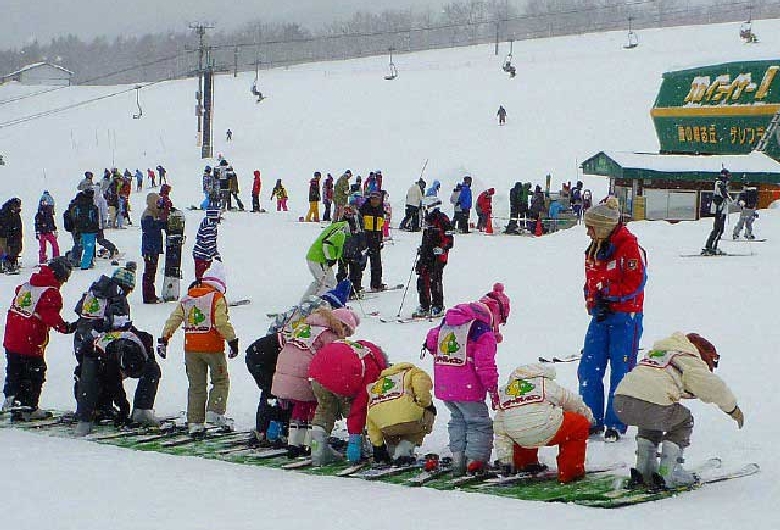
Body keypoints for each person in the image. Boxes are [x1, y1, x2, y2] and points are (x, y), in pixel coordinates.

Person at [614, 332, 744, 489]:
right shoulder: (689, 358)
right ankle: (670, 471)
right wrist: (733, 409)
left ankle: (644, 469)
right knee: (683, 420)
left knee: (651, 417)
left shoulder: (660, 353)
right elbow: (713, 387)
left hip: (621, 402)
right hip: (651, 404)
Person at [244, 280, 351, 447]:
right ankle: (278, 431)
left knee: (277, 391)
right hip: (276, 352)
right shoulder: (323, 320)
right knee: (286, 392)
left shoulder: (301, 309)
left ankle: (269, 429)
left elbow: (276, 327)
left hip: (265, 348)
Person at [424, 283, 510, 475]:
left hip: (445, 387)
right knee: (478, 422)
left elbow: (431, 342)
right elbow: (484, 366)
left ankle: (458, 459)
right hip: (467, 388)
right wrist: (493, 390)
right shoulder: (482, 332)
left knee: (458, 420)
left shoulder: (449, 323)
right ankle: (475, 461)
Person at [579, 198, 646, 442]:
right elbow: (591, 278)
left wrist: (610, 296)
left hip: (624, 318)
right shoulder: (596, 246)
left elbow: (636, 282)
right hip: (600, 316)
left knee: (622, 370)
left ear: (604, 226)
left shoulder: (628, 247)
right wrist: (591, 299)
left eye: (591, 227)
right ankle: (591, 417)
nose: (588, 232)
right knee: (589, 368)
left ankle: (616, 422)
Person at [158, 261, 239, 436]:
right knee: (220, 380)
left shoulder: (188, 298)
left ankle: (195, 422)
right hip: (213, 348)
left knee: (196, 385)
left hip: (191, 349)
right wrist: (232, 340)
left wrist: (164, 338)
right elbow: (221, 323)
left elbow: (174, 319)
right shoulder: (216, 297)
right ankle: (214, 413)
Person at [272, 307, 359, 457]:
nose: (346, 336)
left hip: (284, 369)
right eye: (347, 332)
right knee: (317, 404)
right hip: (304, 372)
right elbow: (332, 359)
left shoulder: (306, 326)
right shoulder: (329, 335)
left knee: (301, 404)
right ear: (342, 325)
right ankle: (311, 443)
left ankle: (294, 443)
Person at [494, 363, 595, 483]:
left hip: (520, 437)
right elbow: (572, 401)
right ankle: (570, 472)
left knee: (518, 425)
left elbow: (500, 428)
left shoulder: (507, 392)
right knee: (578, 424)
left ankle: (526, 464)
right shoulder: (544, 384)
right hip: (546, 429)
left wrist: (505, 460)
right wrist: (589, 419)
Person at [2, 258, 76, 420]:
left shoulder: (27, 286)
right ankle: (29, 406)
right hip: (30, 340)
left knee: (15, 370)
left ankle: (12, 399)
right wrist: (66, 327)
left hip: (12, 337)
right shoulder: (50, 293)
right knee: (35, 373)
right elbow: (50, 316)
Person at [73, 263, 136, 427]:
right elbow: (118, 320)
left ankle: (87, 406)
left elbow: (78, 308)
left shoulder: (93, 291)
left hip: (82, 335)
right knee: (108, 373)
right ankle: (102, 406)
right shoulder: (116, 295)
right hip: (102, 339)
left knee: (84, 371)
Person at [307, 339, 388, 466]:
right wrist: (355, 439)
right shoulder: (372, 368)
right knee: (352, 408)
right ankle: (357, 447)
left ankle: (317, 449)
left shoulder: (355, 349)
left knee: (325, 407)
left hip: (316, 372)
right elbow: (359, 407)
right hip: (343, 377)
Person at [74, 323, 162, 437]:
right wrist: (124, 409)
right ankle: (86, 418)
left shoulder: (144, 349)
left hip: (119, 349)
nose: (124, 377)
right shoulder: (109, 358)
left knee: (153, 369)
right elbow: (115, 385)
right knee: (90, 382)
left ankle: (142, 410)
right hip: (92, 354)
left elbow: (148, 368)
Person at [366, 362, 436, 466]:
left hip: (384, 426)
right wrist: (426, 405)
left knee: (389, 422)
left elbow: (371, 416)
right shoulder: (413, 372)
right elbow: (421, 389)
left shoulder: (377, 384)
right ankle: (404, 450)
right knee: (428, 413)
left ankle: (392, 450)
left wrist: (378, 446)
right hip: (408, 420)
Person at [413, 207, 454, 318]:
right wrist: (422, 249)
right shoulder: (428, 221)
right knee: (422, 279)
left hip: (438, 257)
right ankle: (424, 305)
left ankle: (438, 306)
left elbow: (449, 239)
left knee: (434, 280)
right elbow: (426, 238)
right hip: (426, 255)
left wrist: (442, 249)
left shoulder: (442, 220)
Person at [301, 221, 349, 301]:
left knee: (319, 283)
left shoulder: (335, 228)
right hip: (319, 259)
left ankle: (306, 301)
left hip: (313, 257)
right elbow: (327, 244)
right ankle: (321, 304)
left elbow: (334, 245)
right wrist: (331, 258)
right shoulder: (341, 233)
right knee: (329, 283)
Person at [141, 192, 166, 304]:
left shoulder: (153, 214)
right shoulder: (148, 215)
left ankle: (150, 294)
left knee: (151, 271)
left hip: (153, 247)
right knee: (149, 272)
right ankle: (148, 296)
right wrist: (160, 222)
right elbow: (152, 229)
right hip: (150, 248)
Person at [337, 202, 367, 297]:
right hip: (344, 250)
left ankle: (356, 289)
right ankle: (342, 290)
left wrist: (363, 245)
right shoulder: (342, 221)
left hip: (355, 249)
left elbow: (362, 232)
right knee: (343, 272)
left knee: (356, 271)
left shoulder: (358, 218)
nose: (349, 212)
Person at [359, 190, 385, 292]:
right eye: (373, 199)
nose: (375, 201)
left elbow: (381, 226)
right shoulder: (364, 209)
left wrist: (381, 239)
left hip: (376, 240)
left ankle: (376, 284)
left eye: (377, 199)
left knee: (377, 264)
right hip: (364, 240)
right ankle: (356, 285)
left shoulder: (380, 209)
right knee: (360, 264)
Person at [702, 169, 732, 255]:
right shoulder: (720, 183)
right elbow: (723, 194)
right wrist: (727, 196)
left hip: (721, 210)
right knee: (718, 229)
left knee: (718, 229)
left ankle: (711, 246)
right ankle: (710, 247)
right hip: (720, 210)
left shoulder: (721, 183)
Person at [70, 190, 100, 270]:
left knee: (79, 246)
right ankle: (85, 265)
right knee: (89, 249)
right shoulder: (92, 207)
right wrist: (97, 230)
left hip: (80, 230)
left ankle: (76, 261)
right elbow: (95, 220)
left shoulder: (78, 206)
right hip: (90, 230)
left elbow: (76, 218)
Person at [193, 209, 222, 282]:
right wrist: (215, 254)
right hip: (202, 255)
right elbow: (209, 242)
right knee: (202, 277)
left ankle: (199, 286)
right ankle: (199, 289)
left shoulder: (210, 223)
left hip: (203, 254)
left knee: (202, 276)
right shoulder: (209, 226)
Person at [35, 194, 60, 265]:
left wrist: (54, 229)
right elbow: (37, 224)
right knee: (42, 246)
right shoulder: (39, 214)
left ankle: (56, 258)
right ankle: (42, 259)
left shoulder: (49, 213)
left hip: (49, 231)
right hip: (42, 232)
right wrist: (38, 232)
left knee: (55, 245)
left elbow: (52, 222)